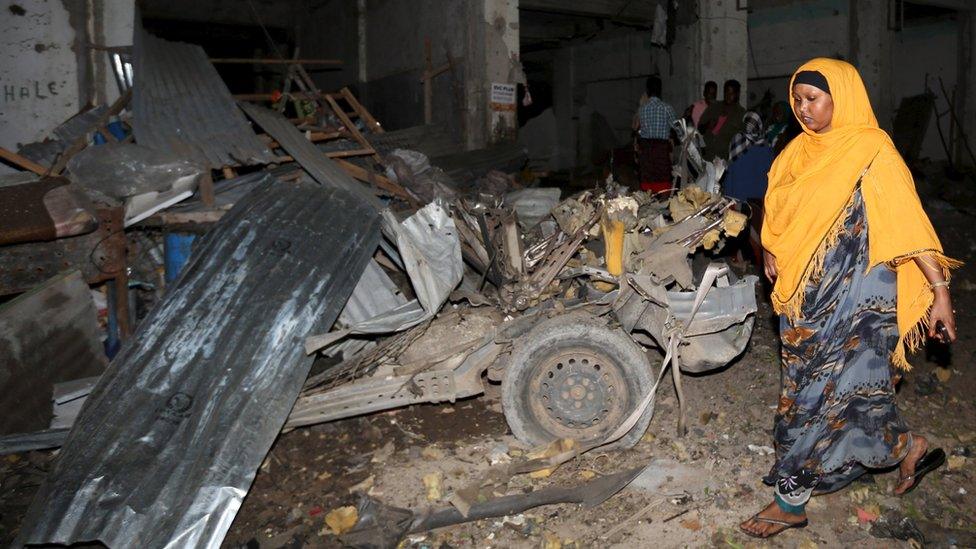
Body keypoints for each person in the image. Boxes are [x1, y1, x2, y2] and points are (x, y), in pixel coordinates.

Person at [740, 58, 961, 539]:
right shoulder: (797, 152)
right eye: (797, 100)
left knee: (813, 398)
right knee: (853, 399)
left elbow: (908, 224)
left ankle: (790, 500)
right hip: (807, 302)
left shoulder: (870, 149)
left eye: (813, 99)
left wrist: (939, 292)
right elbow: (775, 208)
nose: (804, 109)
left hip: (859, 302)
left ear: (841, 97)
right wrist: (772, 248)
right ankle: (907, 447)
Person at [632, 75, 677, 193]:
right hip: (661, 151)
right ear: (660, 90)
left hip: (646, 151)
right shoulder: (667, 108)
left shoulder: (642, 109)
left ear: (647, 91)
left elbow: (635, 128)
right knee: (663, 183)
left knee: (648, 184)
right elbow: (678, 129)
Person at [724, 111, 775, 201]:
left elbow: (731, 167)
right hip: (759, 195)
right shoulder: (766, 144)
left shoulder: (737, 140)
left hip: (737, 191)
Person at [697, 79, 746, 160]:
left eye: (731, 93)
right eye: (726, 92)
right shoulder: (714, 107)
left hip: (727, 159)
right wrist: (708, 125)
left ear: (737, 94)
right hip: (709, 156)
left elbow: (743, 139)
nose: (728, 95)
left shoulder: (741, 113)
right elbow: (700, 128)